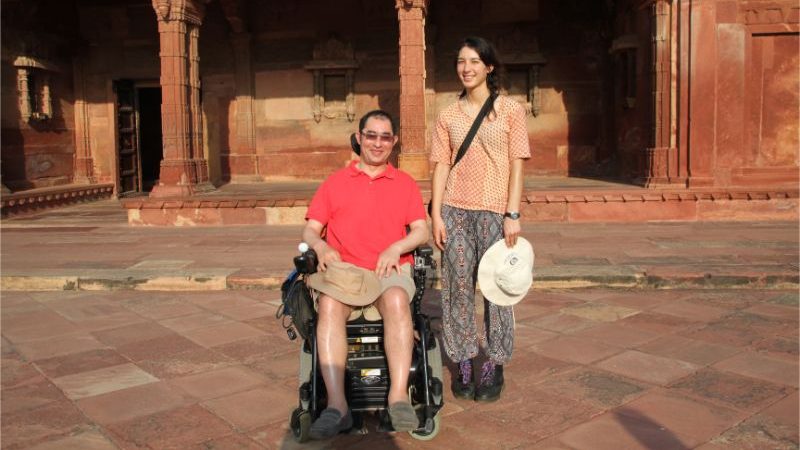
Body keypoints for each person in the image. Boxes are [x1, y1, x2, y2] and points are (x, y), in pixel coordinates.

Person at [301, 110, 429, 439]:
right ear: (359, 138)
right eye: (371, 135)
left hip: (387, 269)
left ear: (394, 142)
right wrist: (320, 247)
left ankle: (398, 397)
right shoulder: (335, 183)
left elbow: (421, 231)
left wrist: (394, 248)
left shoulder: (405, 183)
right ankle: (338, 407)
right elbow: (310, 230)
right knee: (328, 304)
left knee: (398, 299)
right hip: (346, 272)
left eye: (385, 137)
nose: (377, 143)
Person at [429, 36, 531, 402]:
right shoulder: (448, 115)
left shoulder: (510, 111)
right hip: (455, 210)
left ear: (489, 67)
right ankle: (465, 359)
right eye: (460, 61)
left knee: (496, 290)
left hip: (493, 210)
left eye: (474, 61)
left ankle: (494, 361)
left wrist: (512, 213)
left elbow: (517, 163)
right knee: (457, 289)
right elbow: (440, 166)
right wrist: (437, 214)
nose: (466, 68)